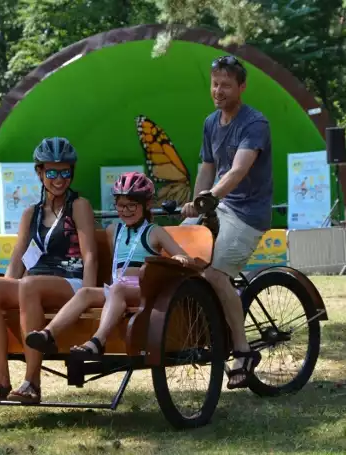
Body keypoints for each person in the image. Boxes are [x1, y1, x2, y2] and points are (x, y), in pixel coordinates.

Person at [0, 137, 98, 403]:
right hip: (34, 285)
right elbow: (18, 259)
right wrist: (5, 291)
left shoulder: (79, 205)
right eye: (51, 172)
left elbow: (90, 254)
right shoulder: (31, 213)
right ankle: (1, 381)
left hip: (69, 282)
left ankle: (32, 383)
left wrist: (89, 295)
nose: (59, 179)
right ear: (39, 172)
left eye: (65, 172)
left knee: (29, 284)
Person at [24, 171, 193, 357]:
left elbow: (183, 257)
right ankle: (48, 334)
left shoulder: (155, 232)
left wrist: (179, 258)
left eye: (132, 206)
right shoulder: (114, 231)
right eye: (121, 206)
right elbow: (116, 264)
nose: (126, 211)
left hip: (143, 290)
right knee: (85, 293)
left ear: (146, 205)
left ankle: (98, 341)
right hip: (118, 289)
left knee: (117, 288)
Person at [181, 55, 272, 390]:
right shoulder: (210, 122)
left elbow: (237, 170)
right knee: (180, 258)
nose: (218, 91)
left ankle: (243, 351)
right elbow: (207, 165)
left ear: (242, 87)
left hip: (248, 212)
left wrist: (211, 198)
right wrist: (197, 202)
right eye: (215, 84)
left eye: (226, 85)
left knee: (217, 274)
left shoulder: (254, 123)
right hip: (218, 205)